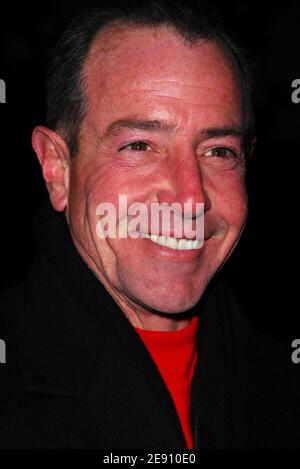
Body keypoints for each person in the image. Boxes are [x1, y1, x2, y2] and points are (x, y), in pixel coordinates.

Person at [0, 0, 299, 449]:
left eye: (218, 151)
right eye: (140, 145)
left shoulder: (280, 384)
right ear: (57, 168)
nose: (192, 196)